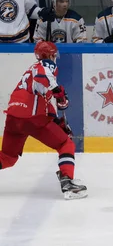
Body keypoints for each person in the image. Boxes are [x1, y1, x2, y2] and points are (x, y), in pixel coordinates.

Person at [0, 42, 87, 200]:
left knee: (7, 157)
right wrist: (58, 93)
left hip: (13, 117)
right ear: (51, 55)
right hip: (32, 118)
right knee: (65, 144)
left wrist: (55, 121)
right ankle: (67, 181)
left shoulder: (30, 71)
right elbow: (43, 76)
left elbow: (43, 99)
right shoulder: (46, 65)